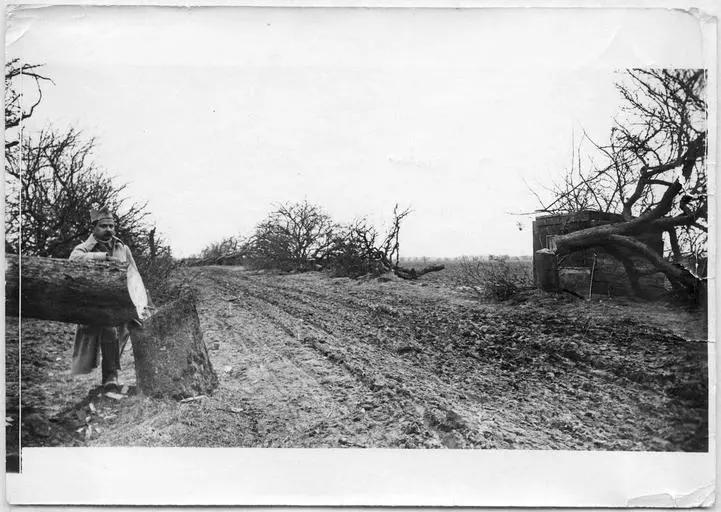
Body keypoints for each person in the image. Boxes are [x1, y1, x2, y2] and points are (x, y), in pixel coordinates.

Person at [69, 206, 141, 392]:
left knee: (141, 326)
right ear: (94, 228)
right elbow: (74, 259)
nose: (108, 229)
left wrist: (143, 304)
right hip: (94, 304)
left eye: (111, 225)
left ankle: (146, 378)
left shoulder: (122, 248)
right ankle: (110, 377)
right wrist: (103, 257)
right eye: (103, 226)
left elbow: (134, 275)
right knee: (109, 331)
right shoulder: (86, 247)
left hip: (119, 302)